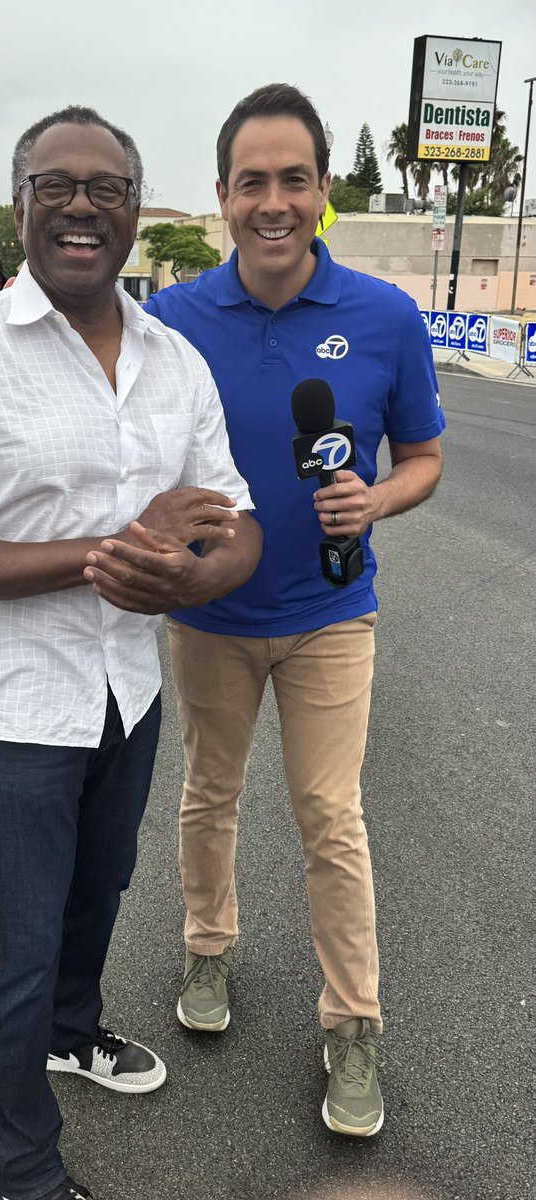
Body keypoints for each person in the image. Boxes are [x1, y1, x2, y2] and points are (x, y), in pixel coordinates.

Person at [0, 104, 262, 1200]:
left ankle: (71, 1034)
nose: (83, 205)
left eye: (107, 187)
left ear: (135, 210)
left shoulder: (173, 361)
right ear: (25, 203)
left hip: (123, 692)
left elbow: (234, 521)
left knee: (96, 895)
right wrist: (113, 552)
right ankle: (20, 1168)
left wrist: (191, 577)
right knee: (17, 946)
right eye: (58, 185)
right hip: (8, 713)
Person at [142, 84, 445, 1139]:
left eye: (295, 180)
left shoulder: (385, 318)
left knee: (330, 818)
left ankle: (351, 1027)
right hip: (212, 618)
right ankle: (207, 947)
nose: (273, 201)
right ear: (223, 196)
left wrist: (379, 497)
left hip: (330, 613)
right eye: (251, 182)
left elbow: (424, 458)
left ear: (322, 193)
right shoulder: (170, 320)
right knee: (208, 793)